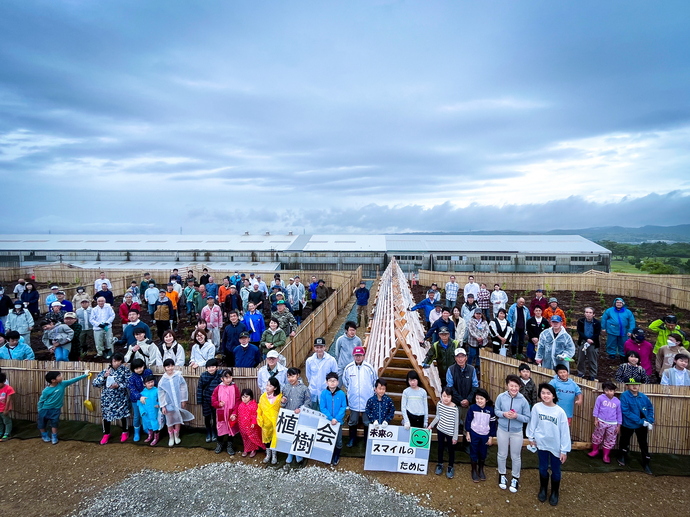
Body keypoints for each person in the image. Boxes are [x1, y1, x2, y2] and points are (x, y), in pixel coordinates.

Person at [527, 383, 571, 506]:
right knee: (543, 467)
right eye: (543, 393)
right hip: (541, 443)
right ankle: (543, 489)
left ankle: (555, 492)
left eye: (548, 393)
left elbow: (565, 432)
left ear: (553, 395)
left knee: (556, 470)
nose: (545, 395)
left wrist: (564, 450)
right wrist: (531, 437)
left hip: (555, 445)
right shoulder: (536, 407)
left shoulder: (560, 412)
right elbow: (533, 423)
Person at [495, 374, 531, 493]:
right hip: (502, 429)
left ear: (519, 387)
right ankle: (502, 474)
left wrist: (517, 416)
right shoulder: (501, 397)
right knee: (502, 454)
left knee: (516, 456)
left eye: (516, 386)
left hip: (517, 431)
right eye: (511, 386)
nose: (513, 388)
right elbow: (496, 411)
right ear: (507, 386)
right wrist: (504, 414)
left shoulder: (523, 400)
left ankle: (515, 477)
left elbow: (527, 418)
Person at [37, 368, 90, 444]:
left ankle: (54, 436)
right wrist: (40, 410)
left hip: (56, 409)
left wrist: (85, 375)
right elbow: (41, 401)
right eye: (59, 376)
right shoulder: (46, 390)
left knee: (54, 422)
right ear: (53, 380)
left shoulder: (62, 384)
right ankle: (44, 435)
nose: (61, 377)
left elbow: (73, 380)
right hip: (44, 409)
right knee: (42, 423)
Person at [92, 353, 131, 445]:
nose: (116, 363)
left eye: (119, 361)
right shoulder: (106, 370)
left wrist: (119, 385)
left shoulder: (125, 370)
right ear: (111, 361)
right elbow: (95, 383)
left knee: (123, 414)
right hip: (107, 398)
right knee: (106, 416)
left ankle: (125, 431)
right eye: (114, 361)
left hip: (120, 397)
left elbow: (129, 383)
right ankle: (106, 433)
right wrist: (104, 377)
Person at [618, 377, 654, 475]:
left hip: (642, 424)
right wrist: (640, 421)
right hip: (629, 424)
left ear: (639, 385)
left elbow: (650, 408)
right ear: (627, 385)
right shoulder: (624, 396)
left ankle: (646, 462)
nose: (635, 386)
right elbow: (625, 411)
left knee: (643, 443)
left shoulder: (643, 397)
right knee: (624, 440)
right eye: (632, 384)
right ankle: (622, 456)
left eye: (637, 384)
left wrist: (650, 420)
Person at [342, 346, 377, 448]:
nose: (358, 358)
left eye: (360, 355)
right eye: (356, 355)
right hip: (354, 400)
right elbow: (346, 382)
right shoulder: (348, 368)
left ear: (363, 356)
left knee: (367, 421)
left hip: (367, 400)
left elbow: (374, 382)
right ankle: (352, 439)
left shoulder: (369, 368)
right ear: (353, 356)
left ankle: (367, 440)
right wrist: (352, 391)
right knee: (353, 420)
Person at [446, 347, 479, 452]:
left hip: (468, 403)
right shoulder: (450, 370)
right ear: (455, 358)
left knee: (467, 424)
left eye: (462, 356)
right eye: (458, 356)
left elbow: (475, 386)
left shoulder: (472, 369)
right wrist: (460, 400)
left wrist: (468, 400)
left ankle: (466, 444)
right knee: (452, 423)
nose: (460, 359)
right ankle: (451, 444)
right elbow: (450, 387)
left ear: (466, 357)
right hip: (455, 403)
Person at [158, 358, 194, 447]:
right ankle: (171, 437)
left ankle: (176, 435)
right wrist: (163, 406)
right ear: (164, 368)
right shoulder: (163, 380)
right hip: (168, 403)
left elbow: (183, 388)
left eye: (171, 366)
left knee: (178, 418)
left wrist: (183, 399)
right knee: (169, 420)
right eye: (168, 366)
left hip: (178, 402)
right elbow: (161, 393)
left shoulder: (178, 376)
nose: (170, 368)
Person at [281, 367, 312, 468]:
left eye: (293, 376)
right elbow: (282, 404)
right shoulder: (285, 387)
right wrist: (283, 402)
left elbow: (308, 402)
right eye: (289, 376)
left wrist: (301, 409)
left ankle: (298, 453)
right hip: (288, 415)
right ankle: (290, 453)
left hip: (300, 415)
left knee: (299, 434)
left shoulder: (304, 388)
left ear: (298, 376)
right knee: (289, 435)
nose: (291, 378)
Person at [465, 388, 497, 483]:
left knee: (483, 453)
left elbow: (493, 424)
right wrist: (468, 432)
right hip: (474, 433)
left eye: (481, 399)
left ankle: (481, 469)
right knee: (474, 451)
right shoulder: (472, 408)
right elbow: (468, 421)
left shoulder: (490, 410)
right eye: (477, 398)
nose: (479, 400)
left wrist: (491, 437)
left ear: (486, 400)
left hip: (485, 435)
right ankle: (474, 470)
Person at [427, 386, 459, 479]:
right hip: (440, 430)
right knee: (440, 448)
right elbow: (438, 416)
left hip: (450, 433)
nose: (446, 398)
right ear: (441, 396)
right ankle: (439, 464)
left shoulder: (455, 408)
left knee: (451, 450)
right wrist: (431, 425)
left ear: (451, 397)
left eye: (448, 396)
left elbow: (456, 423)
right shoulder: (439, 404)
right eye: (444, 396)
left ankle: (450, 466)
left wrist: (455, 437)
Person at [588, 381, 621, 464]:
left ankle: (606, 455)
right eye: (606, 390)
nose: (609, 392)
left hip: (613, 424)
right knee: (597, 436)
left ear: (614, 391)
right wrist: (596, 419)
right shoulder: (600, 398)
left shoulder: (617, 401)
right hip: (601, 421)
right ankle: (595, 450)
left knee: (610, 439)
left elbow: (619, 414)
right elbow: (596, 409)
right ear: (604, 391)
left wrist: (618, 426)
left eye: (611, 390)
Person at [211, 368, 241, 455]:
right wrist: (218, 404)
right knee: (221, 428)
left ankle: (230, 445)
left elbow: (238, 400)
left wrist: (235, 412)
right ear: (222, 379)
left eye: (230, 377)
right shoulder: (218, 388)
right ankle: (219, 443)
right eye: (226, 377)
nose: (228, 379)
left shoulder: (234, 387)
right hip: (221, 412)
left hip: (231, 412)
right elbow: (213, 400)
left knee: (231, 429)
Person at [320, 372, 347, 466]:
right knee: (327, 439)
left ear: (338, 382)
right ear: (327, 382)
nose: (332, 383)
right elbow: (322, 407)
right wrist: (330, 418)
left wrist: (336, 418)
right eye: (330, 381)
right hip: (327, 421)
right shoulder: (323, 393)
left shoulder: (341, 394)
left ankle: (336, 455)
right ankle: (328, 455)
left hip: (338, 422)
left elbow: (343, 407)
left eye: (334, 381)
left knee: (338, 440)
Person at [305, 337, 338, 405]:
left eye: (321, 347)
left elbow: (335, 376)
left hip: (326, 391)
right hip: (313, 391)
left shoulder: (331, 360)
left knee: (325, 412)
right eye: (317, 347)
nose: (319, 349)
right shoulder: (309, 361)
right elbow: (308, 375)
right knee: (313, 412)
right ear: (314, 348)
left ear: (324, 347)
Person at [258, 377, 282, 465]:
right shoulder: (263, 397)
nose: (267, 387)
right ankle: (268, 454)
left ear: (275, 388)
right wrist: (259, 418)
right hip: (265, 422)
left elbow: (281, 409)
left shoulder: (279, 397)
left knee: (274, 438)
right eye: (267, 385)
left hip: (275, 422)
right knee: (266, 439)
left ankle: (274, 455)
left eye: (270, 386)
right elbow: (259, 408)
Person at [127, 358, 152, 442]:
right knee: (137, 416)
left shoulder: (148, 372)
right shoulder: (131, 378)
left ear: (143, 366)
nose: (139, 370)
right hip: (136, 400)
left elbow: (152, 382)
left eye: (141, 367)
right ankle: (136, 432)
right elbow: (132, 390)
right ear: (133, 369)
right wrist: (139, 397)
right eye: (136, 369)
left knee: (148, 413)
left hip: (148, 397)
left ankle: (147, 429)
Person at [197, 358, 222, 443]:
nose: (211, 368)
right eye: (209, 367)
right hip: (206, 400)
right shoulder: (203, 376)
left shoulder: (220, 375)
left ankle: (215, 432)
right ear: (206, 368)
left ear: (217, 367)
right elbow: (200, 388)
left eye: (213, 366)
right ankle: (208, 432)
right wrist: (199, 400)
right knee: (207, 416)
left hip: (216, 401)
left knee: (215, 417)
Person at [237, 388, 265, 457]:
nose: (244, 399)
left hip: (251, 425)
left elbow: (255, 415)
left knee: (252, 437)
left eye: (246, 397)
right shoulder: (240, 405)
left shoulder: (254, 405)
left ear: (251, 397)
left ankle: (253, 449)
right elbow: (239, 415)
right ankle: (246, 449)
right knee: (245, 438)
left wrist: (253, 422)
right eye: (243, 397)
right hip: (243, 425)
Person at [576, 307, 602, 381]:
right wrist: (586, 339)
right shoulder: (580, 321)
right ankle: (581, 372)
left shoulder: (597, 323)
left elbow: (597, 333)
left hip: (593, 342)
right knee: (581, 358)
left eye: (590, 312)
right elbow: (579, 331)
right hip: (583, 341)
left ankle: (592, 374)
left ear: (593, 314)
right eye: (586, 312)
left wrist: (591, 339)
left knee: (592, 359)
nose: (588, 314)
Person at [138, 375, 162, 446]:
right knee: (148, 424)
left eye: (152, 382)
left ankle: (156, 437)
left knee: (155, 424)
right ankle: (150, 436)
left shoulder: (156, 390)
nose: (151, 384)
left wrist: (159, 404)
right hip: (146, 413)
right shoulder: (142, 393)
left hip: (155, 411)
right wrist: (142, 411)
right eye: (148, 383)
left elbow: (161, 399)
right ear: (144, 384)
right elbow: (139, 404)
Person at [0, 371, 14, 441]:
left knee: (6, 421)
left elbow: (8, 400)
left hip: (4, 408)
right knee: (0, 422)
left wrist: (6, 409)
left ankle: (7, 434)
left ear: (4, 381)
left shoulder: (8, 388)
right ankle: (1, 432)